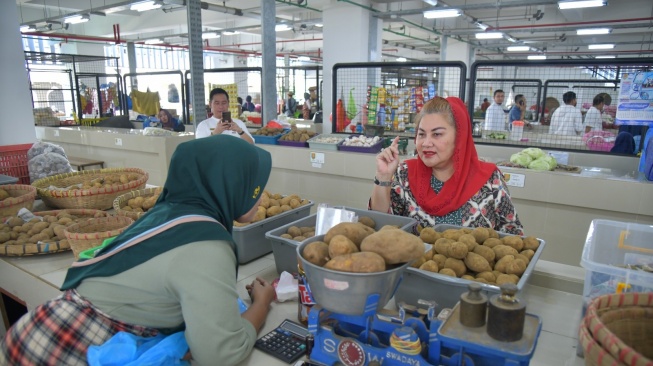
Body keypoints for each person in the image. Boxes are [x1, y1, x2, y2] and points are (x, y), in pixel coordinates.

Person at [0, 135, 276, 365]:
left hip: (41, 329)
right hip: (62, 351)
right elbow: (220, 354)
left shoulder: (170, 212)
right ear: (230, 183)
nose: (261, 193)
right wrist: (262, 304)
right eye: (255, 184)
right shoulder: (206, 244)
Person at [370, 96, 524, 235]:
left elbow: (512, 234)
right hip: (412, 266)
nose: (426, 143)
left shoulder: (490, 179)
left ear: (459, 137)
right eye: (421, 134)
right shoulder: (404, 174)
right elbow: (382, 226)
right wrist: (383, 177)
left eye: (437, 134)